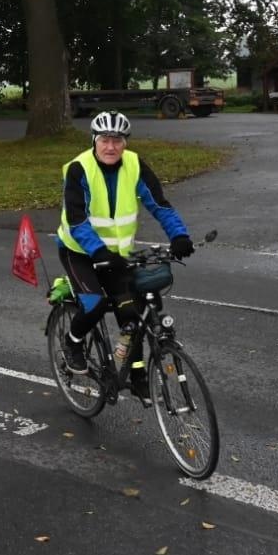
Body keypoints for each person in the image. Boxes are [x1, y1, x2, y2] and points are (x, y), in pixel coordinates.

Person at [55, 111, 193, 402]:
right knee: (94, 304)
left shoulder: (134, 165)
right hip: (78, 251)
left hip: (116, 255)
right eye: (105, 139)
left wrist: (179, 236)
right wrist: (99, 251)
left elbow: (160, 204)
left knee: (131, 315)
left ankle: (139, 376)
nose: (111, 146)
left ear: (125, 142)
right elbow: (77, 220)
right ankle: (73, 343)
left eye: (117, 140)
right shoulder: (79, 169)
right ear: (95, 140)